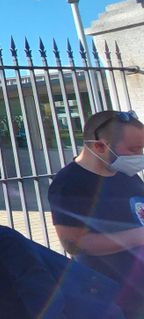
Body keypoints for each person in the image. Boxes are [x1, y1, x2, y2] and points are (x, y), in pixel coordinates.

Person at [48, 110, 144, 318]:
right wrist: (136, 237)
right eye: (134, 149)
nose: (140, 155)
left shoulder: (127, 175)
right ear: (99, 146)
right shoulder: (69, 184)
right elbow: (74, 244)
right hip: (111, 296)